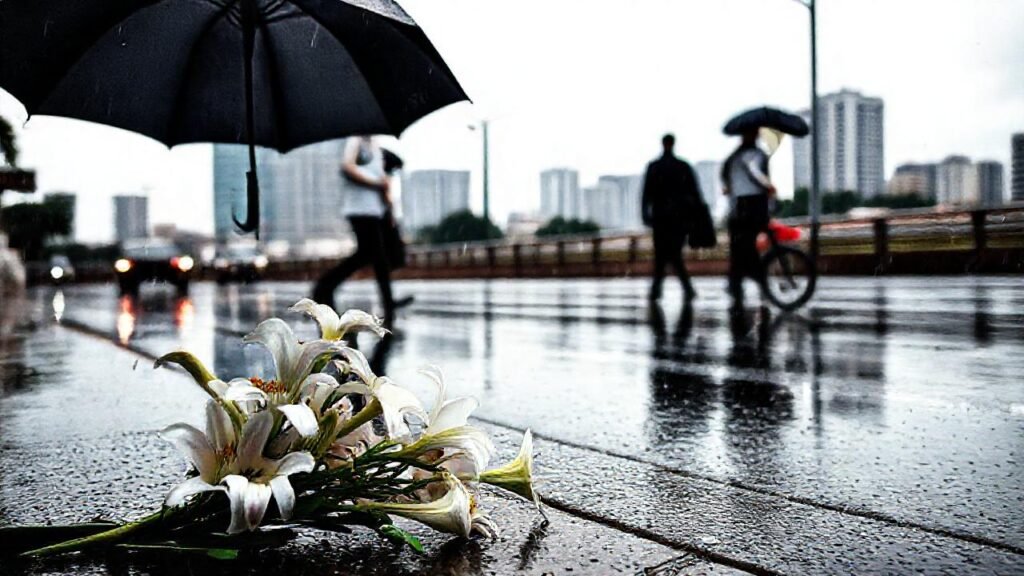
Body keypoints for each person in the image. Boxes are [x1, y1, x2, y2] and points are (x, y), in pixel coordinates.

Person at [312, 136, 410, 326]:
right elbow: (347, 168)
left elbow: (382, 180)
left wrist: (388, 206)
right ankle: (324, 286)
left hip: (375, 211)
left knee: (379, 258)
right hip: (359, 210)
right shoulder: (355, 142)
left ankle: (388, 303)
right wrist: (376, 184)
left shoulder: (373, 147)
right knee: (367, 254)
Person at [641, 133, 701, 301]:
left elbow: (646, 194)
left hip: (660, 218)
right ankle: (684, 289)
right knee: (675, 253)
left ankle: (657, 290)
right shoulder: (683, 166)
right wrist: (695, 217)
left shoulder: (654, 167)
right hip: (679, 218)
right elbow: (694, 193)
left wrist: (645, 214)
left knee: (661, 254)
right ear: (673, 144)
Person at [721, 128, 774, 310]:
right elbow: (756, 173)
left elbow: (726, 181)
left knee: (739, 250)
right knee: (749, 247)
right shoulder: (756, 154)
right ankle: (758, 279)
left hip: (737, 208)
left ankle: (736, 285)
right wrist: (767, 186)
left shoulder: (731, 158)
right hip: (754, 206)